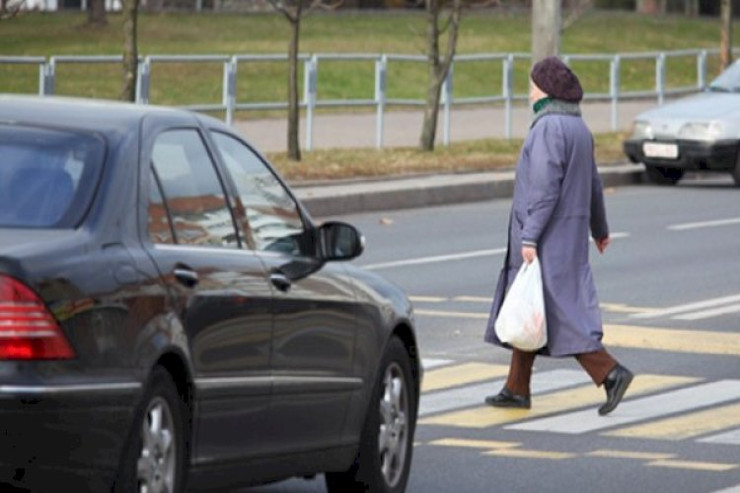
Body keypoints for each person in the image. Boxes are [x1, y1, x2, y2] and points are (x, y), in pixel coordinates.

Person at [483, 56, 633, 416]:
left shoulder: (548, 128)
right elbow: (594, 182)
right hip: (568, 234)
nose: (529, 91)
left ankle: (610, 372)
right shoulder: (579, 128)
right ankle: (516, 388)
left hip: (548, 237)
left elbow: (545, 188)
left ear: (545, 90)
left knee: (556, 311)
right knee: (531, 307)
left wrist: (530, 236)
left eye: (532, 85)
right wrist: (600, 228)